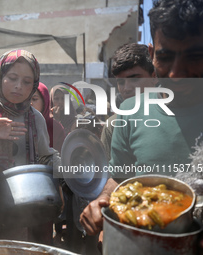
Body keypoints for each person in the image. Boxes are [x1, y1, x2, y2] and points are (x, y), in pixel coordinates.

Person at [80, 0, 203, 249]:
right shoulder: (129, 111)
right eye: (165, 56)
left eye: (194, 56)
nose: (175, 73)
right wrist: (103, 202)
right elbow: (118, 178)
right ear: (151, 53)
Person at [0, 49, 61, 243]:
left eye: (26, 82)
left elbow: (45, 156)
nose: (19, 87)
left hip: (20, 205)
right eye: (12, 78)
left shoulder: (35, 118)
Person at [101, 43, 157, 160]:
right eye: (121, 82)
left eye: (135, 79)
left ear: (154, 77)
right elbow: (110, 176)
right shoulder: (113, 126)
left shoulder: (176, 117)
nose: (126, 88)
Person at [31, 82, 65, 152]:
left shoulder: (55, 128)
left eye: (34, 99)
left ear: (44, 102)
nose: (30, 103)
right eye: (26, 99)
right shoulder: (17, 124)